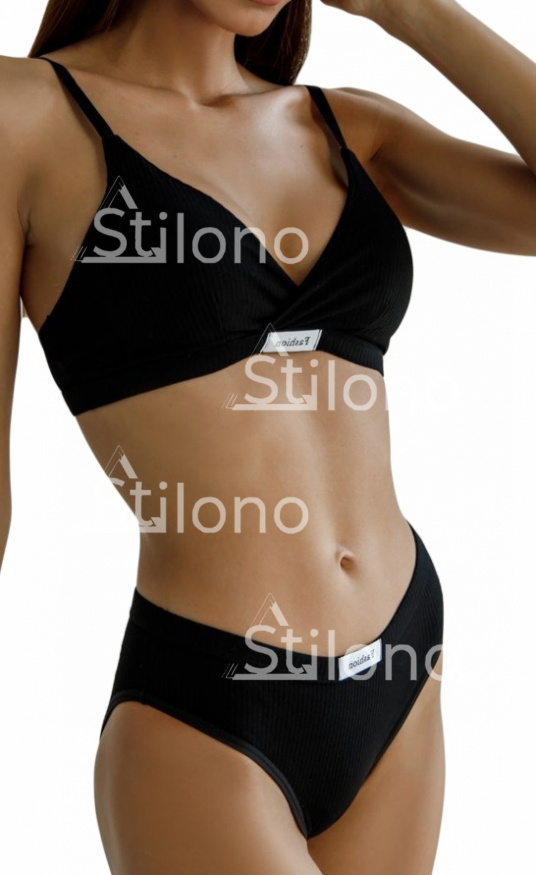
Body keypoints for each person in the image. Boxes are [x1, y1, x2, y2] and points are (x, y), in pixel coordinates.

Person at [1, 0, 535, 872]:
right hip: (211, 701)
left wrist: (409, 12)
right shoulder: (25, 115)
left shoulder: (345, 128)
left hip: (402, 660)